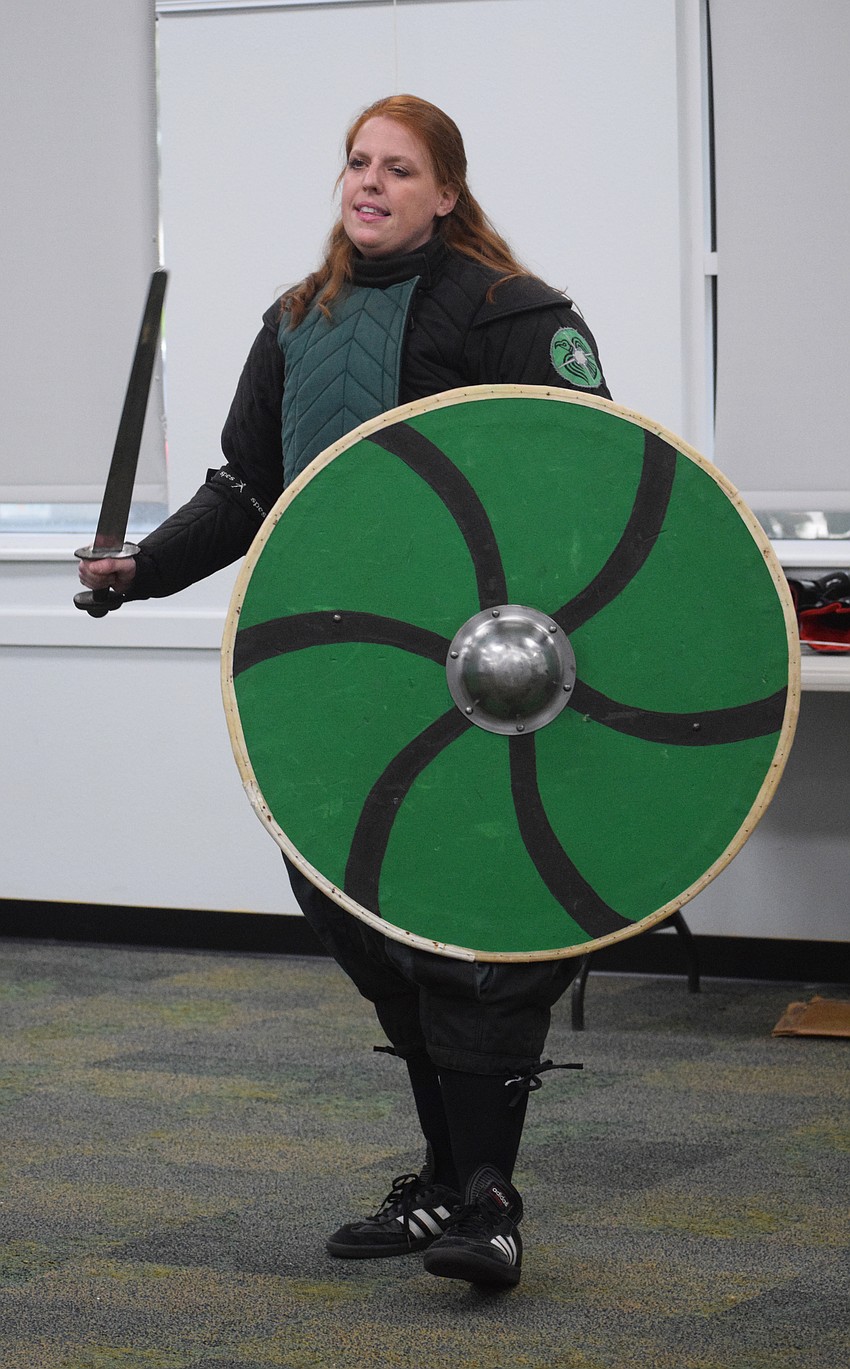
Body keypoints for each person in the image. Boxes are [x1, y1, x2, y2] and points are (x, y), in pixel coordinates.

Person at [79, 94, 610, 1290]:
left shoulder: (512, 315)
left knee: (477, 939)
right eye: (356, 163)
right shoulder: (296, 322)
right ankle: (441, 1182)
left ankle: (488, 1198)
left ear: (445, 192)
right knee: (371, 930)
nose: (368, 183)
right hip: (341, 677)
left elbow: (596, 476)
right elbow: (246, 489)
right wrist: (138, 573)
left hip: (487, 683)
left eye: (397, 167)